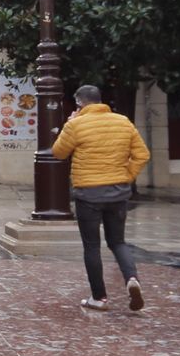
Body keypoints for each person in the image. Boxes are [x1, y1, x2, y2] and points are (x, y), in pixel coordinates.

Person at [51, 84, 150, 312]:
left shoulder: (75, 125)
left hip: (88, 193)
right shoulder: (123, 122)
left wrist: (69, 123)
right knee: (118, 242)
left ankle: (99, 298)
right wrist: (126, 177)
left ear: (79, 103)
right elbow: (142, 154)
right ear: (100, 100)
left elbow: (59, 152)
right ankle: (131, 278)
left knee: (92, 246)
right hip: (118, 192)